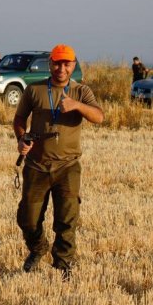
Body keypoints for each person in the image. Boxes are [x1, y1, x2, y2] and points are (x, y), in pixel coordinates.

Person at [13, 44, 104, 280]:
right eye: (57, 63)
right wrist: (22, 138)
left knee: (67, 219)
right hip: (36, 165)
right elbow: (20, 118)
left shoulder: (81, 91)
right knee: (28, 218)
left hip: (68, 166)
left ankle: (63, 264)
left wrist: (77, 106)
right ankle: (38, 248)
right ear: (50, 63)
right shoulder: (34, 90)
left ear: (73, 65)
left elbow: (99, 117)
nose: (61, 68)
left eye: (66, 63)